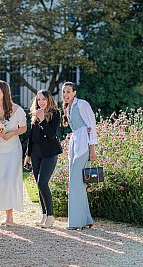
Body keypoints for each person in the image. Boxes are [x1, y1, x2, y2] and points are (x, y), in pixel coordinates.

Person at [0, 80, 27, 226]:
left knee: (10, 180)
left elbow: (24, 128)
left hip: (13, 149)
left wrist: (11, 133)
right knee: (0, 180)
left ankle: (10, 216)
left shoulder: (17, 109)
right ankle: (4, 213)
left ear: (4, 92)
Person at [24, 90, 63, 228]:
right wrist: (28, 155)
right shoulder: (35, 114)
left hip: (50, 153)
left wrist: (42, 120)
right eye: (39, 99)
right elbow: (32, 137)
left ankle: (51, 216)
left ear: (49, 100)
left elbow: (52, 135)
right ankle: (44, 215)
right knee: (39, 184)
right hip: (36, 154)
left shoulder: (55, 113)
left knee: (42, 183)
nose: (41, 102)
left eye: (44, 99)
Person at [61, 81, 97, 230]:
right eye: (64, 92)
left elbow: (92, 125)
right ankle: (86, 219)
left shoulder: (82, 104)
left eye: (69, 91)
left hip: (83, 144)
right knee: (77, 182)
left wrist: (92, 149)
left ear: (74, 92)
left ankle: (77, 222)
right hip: (75, 143)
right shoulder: (67, 108)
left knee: (76, 182)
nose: (66, 94)